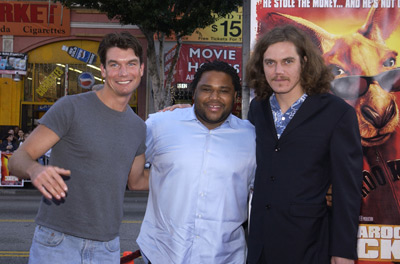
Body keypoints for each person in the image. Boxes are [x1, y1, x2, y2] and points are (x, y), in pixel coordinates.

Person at [8, 31, 147, 263]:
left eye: (131, 64)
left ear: (141, 69)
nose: (124, 72)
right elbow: (17, 159)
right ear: (103, 70)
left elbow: (137, 180)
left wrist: (184, 174)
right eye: (115, 65)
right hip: (58, 242)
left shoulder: (138, 127)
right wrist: (35, 170)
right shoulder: (71, 108)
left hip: (107, 246)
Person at [245, 25, 363, 264]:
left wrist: (343, 253)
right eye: (270, 63)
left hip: (309, 245)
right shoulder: (258, 108)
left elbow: (347, 191)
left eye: (287, 61)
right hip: (260, 245)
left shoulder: (336, 113)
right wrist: (188, 113)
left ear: (305, 62)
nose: (278, 71)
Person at [137, 60, 256, 264]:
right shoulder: (160, 125)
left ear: (235, 97)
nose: (214, 97)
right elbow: (129, 172)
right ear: (194, 93)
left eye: (224, 91)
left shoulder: (252, 137)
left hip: (224, 257)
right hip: (162, 254)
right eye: (206, 89)